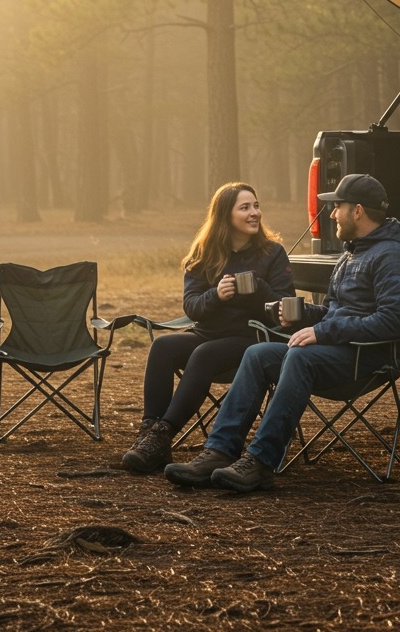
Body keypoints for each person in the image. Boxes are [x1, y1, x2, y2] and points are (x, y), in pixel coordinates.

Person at [163, 172, 400, 491]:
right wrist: (299, 313)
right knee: (257, 354)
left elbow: (392, 322)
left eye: (337, 206)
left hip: (369, 356)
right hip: (339, 349)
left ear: (358, 211)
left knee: (299, 357)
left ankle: (261, 461)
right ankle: (219, 450)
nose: (332, 213)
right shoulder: (352, 253)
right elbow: (332, 311)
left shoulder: (392, 257)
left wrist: (322, 333)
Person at [121, 181, 294, 473]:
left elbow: (283, 309)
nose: (255, 213)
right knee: (163, 346)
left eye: (256, 206)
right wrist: (216, 295)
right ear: (226, 215)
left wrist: (259, 289)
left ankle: (164, 433)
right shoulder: (205, 252)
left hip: (250, 340)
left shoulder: (272, 253)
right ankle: (149, 437)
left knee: (204, 353)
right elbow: (192, 306)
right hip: (208, 332)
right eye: (245, 208)